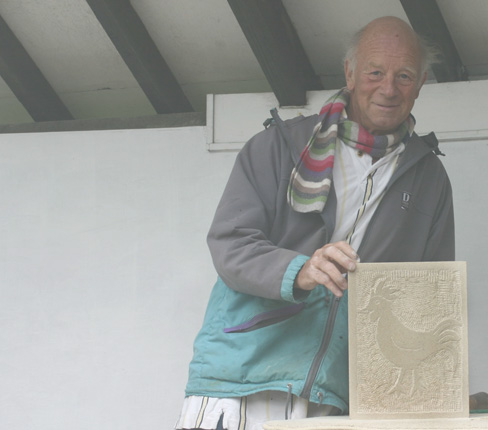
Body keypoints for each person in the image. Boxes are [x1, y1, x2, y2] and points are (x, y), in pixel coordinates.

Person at [175, 16, 454, 430]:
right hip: (241, 379)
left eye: (404, 75)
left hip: (339, 392)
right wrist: (299, 270)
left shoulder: (429, 178)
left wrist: (423, 394)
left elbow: (428, 296)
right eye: (375, 72)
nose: (389, 88)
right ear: (350, 72)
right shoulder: (278, 146)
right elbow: (230, 243)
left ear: (422, 83)